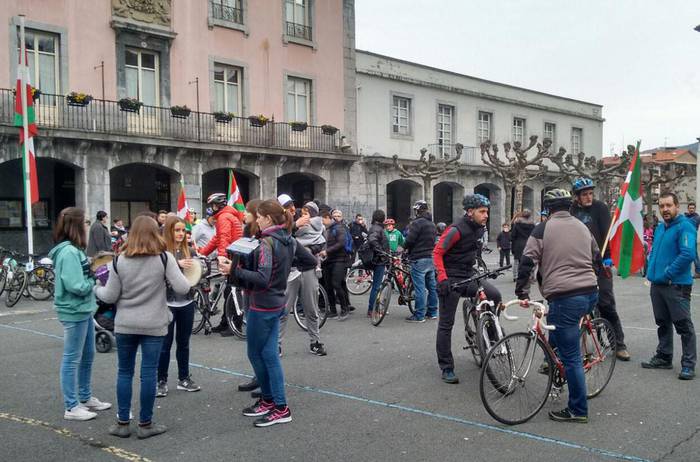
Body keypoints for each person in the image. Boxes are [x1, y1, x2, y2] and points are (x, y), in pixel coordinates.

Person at [95, 216, 191, 439]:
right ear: (155, 233)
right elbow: (183, 287)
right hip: (154, 324)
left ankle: (122, 422)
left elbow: (109, 295)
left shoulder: (119, 261)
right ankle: (145, 424)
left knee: (124, 372)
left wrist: (96, 289)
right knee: (148, 373)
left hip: (125, 324)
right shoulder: (164, 259)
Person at [516, 188, 601, 424]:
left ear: (548, 209)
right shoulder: (583, 227)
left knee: (571, 355)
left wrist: (522, 293)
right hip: (589, 292)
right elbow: (596, 256)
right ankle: (556, 363)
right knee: (560, 329)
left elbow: (527, 262)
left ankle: (578, 410)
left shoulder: (542, 228)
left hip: (565, 295)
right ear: (569, 206)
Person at [218, 200, 296, 427]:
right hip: (276, 302)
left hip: (262, 305)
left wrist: (233, 269)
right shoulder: (288, 238)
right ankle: (274, 403)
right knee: (270, 355)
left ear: (268, 219)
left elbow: (262, 278)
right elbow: (305, 260)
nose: (257, 220)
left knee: (257, 354)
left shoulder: (267, 243)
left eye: (260, 217)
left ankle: (277, 404)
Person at [49, 207, 111, 421]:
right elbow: (76, 285)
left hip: (83, 309)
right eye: (84, 222)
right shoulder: (68, 252)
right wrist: (95, 279)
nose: (87, 226)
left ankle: (84, 397)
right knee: (72, 358)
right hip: (73, 310)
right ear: (76, 225)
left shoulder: (73, 250)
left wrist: (93, 268)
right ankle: (71, 405)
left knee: (87, 355)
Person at [433, 194, 502, 384]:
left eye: (487, 211)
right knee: (446, 325)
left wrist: (485, 271)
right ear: (470, 212)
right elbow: (437, 253)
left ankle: (490, 337)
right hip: (451, 279)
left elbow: (473, 253)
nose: (486, 215)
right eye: (482, 211)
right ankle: (446, 367)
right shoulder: (456, 230)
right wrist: (443, 278)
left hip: (468, 274)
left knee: (494, 295)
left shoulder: (479, 228)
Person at [571, 177, 630, 361]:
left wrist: (608, 258)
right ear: (577, 196)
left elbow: (607, 235)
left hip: (600, 262)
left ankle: (618, 344)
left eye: (590, 193)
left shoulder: (600, 208)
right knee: (577, 307)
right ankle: (578, 347)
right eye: (584, 194)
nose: (588, 197)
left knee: (606, 304)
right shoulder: (571, 211)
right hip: (579, 264)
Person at [643, 192, 697, 380]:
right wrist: (652, 272)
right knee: (662, 323)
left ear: (676, 206)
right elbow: (655, 251)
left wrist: (667, 274)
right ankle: (664, 357)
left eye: (668, 205)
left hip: (676, 285)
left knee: (683, 326)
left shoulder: (685, 227)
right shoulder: (660, 228)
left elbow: (687, 254)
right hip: (657, 285)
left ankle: (688, 365)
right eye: (662, 206)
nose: (665, 209)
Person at [156, 216, 201, 398]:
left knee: (184, 343)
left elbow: (197, 275)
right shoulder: (160, 252)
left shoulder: (190, 250)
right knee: (164, 345)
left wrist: (199, 269)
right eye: (177, 230)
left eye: (183, 230)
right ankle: (161, 381)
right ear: (169, 231)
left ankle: (184, 378)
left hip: (187, 303)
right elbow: (157, 275)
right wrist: (177, 264)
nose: (181, 234)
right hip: (167, 303)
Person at [199, 193, 244, 334]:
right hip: (236, 255)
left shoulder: (223, 218)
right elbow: (216, 239)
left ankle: (234, 325)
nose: (211, 208)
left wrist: (222, 257)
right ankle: (225, 323)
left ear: (217, 206)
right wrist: (203, 252)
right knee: (227, 291)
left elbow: (224, 238)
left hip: (233, 257)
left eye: (212, 205)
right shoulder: (227, 215)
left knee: (231, 291)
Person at [403, 200, 438, 323]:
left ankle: (419, 315)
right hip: (430, 258)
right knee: (432, 286)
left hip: (418, 258)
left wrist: (404, 247)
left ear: (417, 210)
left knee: (420, 288)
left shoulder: (417, 223)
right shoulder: (432, 224)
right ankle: (433, 312)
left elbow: (410, 240)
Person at [321, 210, 351, 320]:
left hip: (340, 260)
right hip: (328, 261)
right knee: (328, 286)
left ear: (328, 218)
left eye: (323, 219)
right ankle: (332, 310)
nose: (322, 222)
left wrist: (327, 251)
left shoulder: (339, 228)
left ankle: (344, 308)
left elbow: (341, 243)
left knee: (336, 284)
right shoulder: (327, 229)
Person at [366, 209, 390, 317]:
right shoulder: (377, 228)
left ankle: (372, 309)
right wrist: (381, 252)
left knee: (376, 285)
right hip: (379, 260)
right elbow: (373, 240)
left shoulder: (376, 227)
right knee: (376, 286)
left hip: (378, 259)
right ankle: (372, 309)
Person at [510, 209, 534, 282]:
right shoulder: (532, 225)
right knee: (529, 261)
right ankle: (529, 275)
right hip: (529, 244)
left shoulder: (517, 224)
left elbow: (513, 236)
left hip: (518, 244)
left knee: (517, 261)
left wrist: (512, 246)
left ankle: (516, 276)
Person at [684, 203, 700, 277]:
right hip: (685, 237)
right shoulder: (686, 217)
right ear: (688, 209)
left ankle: (698, 271)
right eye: (690, 208)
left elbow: (689, 223)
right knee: (685, 253)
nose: (691, 209)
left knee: (694, 254)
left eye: (693, 208)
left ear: (695, 209)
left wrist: (684, 218)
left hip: (692, 236)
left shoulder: (697, 217)